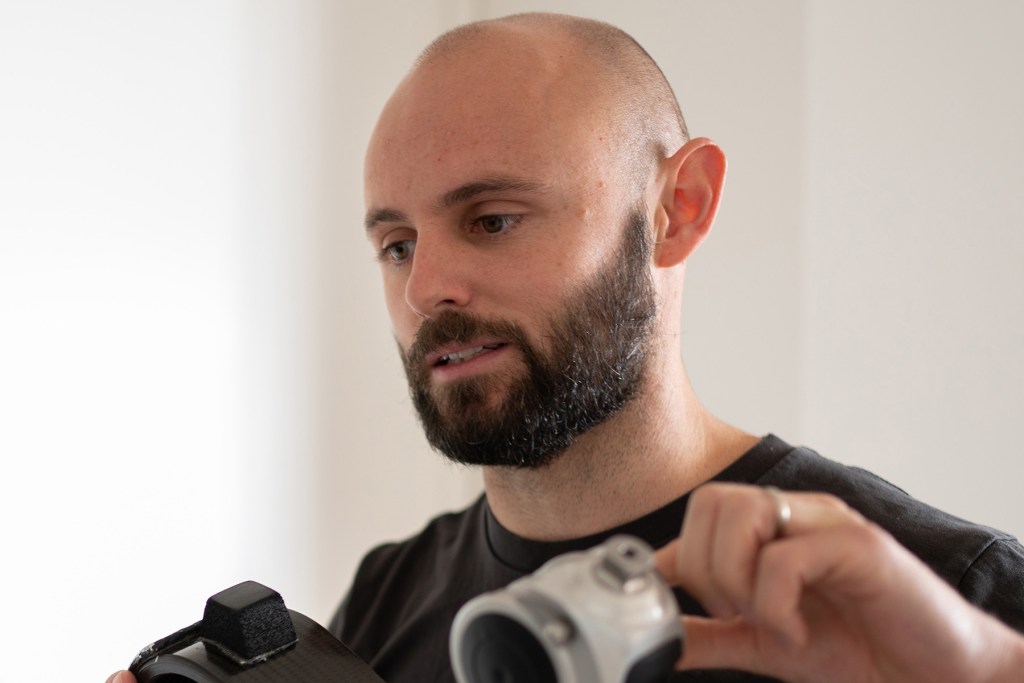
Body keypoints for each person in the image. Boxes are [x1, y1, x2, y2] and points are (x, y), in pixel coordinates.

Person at [107, 12, 1024, 683]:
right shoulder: (386, 596)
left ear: (679, 208)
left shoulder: (947, 602)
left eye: (493, 219)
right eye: (397, 244)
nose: (426, 289)